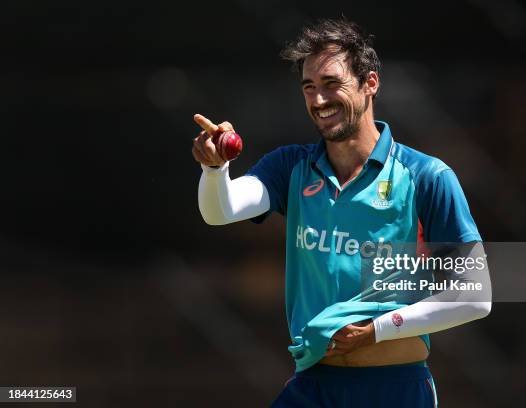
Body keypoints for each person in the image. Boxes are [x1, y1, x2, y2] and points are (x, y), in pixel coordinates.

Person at [192, 17, 491, 408]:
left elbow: (475, 296)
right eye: (309, 88)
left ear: (370, 83)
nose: (318, 100)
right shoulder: (290, 167)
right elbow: (221, 210)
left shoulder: (427, 177)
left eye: (332, 84)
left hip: (395, 389)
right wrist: (214, 170)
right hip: (313, 387)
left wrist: (379, 329)